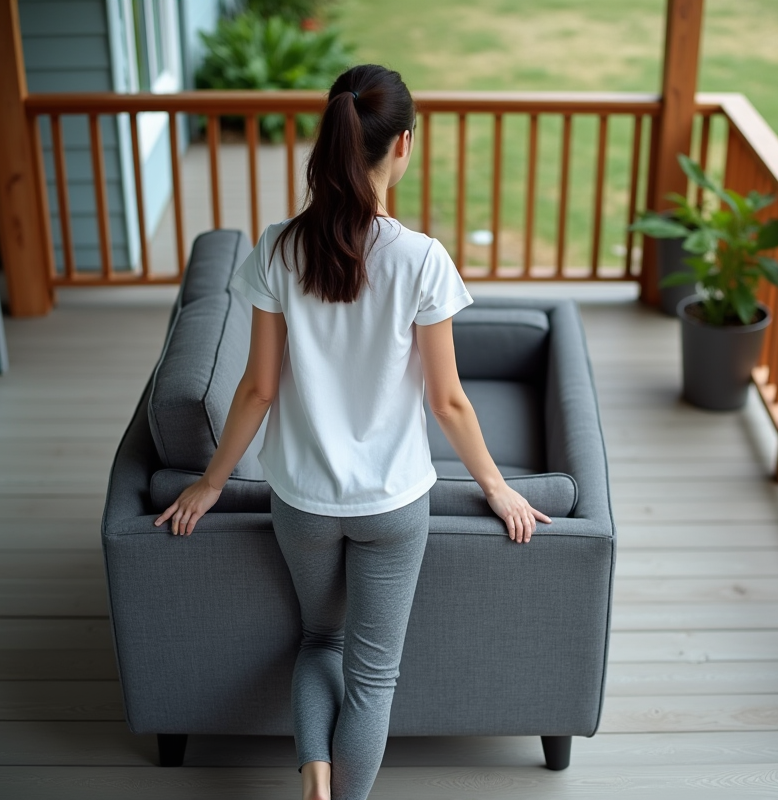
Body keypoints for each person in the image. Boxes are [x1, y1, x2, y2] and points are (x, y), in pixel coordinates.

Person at [153, 64, 551, 800]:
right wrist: (497, 488)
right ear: (403, 145)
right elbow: (450, 402)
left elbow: (258, 388)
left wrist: (211, 483)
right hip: (393, 507)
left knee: (318, 641)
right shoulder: (421, 259)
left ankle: (314, 776)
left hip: (301, 503)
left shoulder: (276, 248)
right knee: (373, 676)